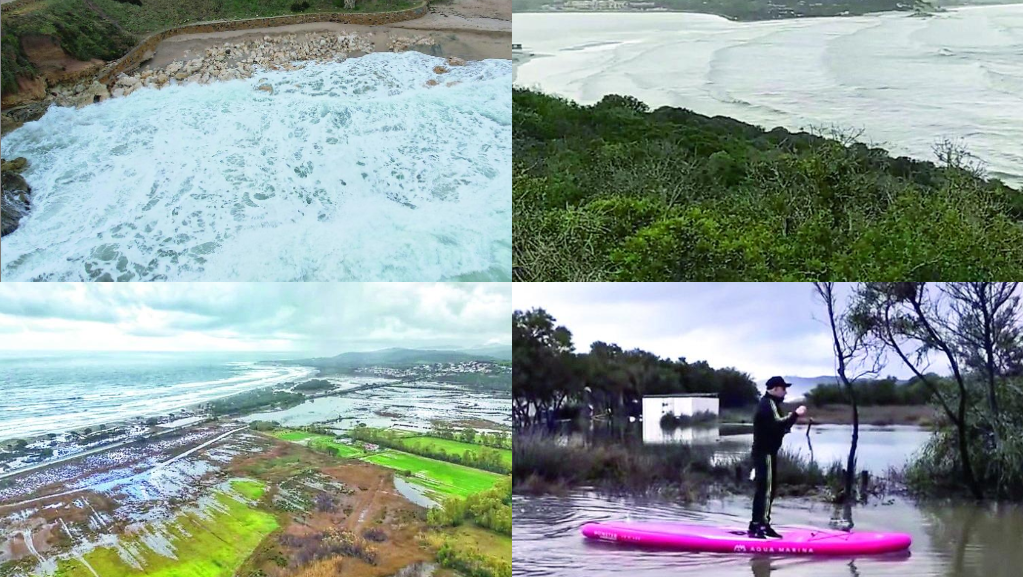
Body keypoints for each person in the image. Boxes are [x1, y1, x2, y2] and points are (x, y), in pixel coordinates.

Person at [748, 376, 807, 539]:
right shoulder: (768, 404)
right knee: (765, 490)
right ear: (775, 389)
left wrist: (790, 420)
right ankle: (759, 525)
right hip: (764, 453)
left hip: (767, 452)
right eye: (783, 389)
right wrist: (795, 414)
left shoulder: (770, 404)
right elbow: (778, 424)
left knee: (767, 489)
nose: (785, 392)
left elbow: (779, 427)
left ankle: (760, 524)